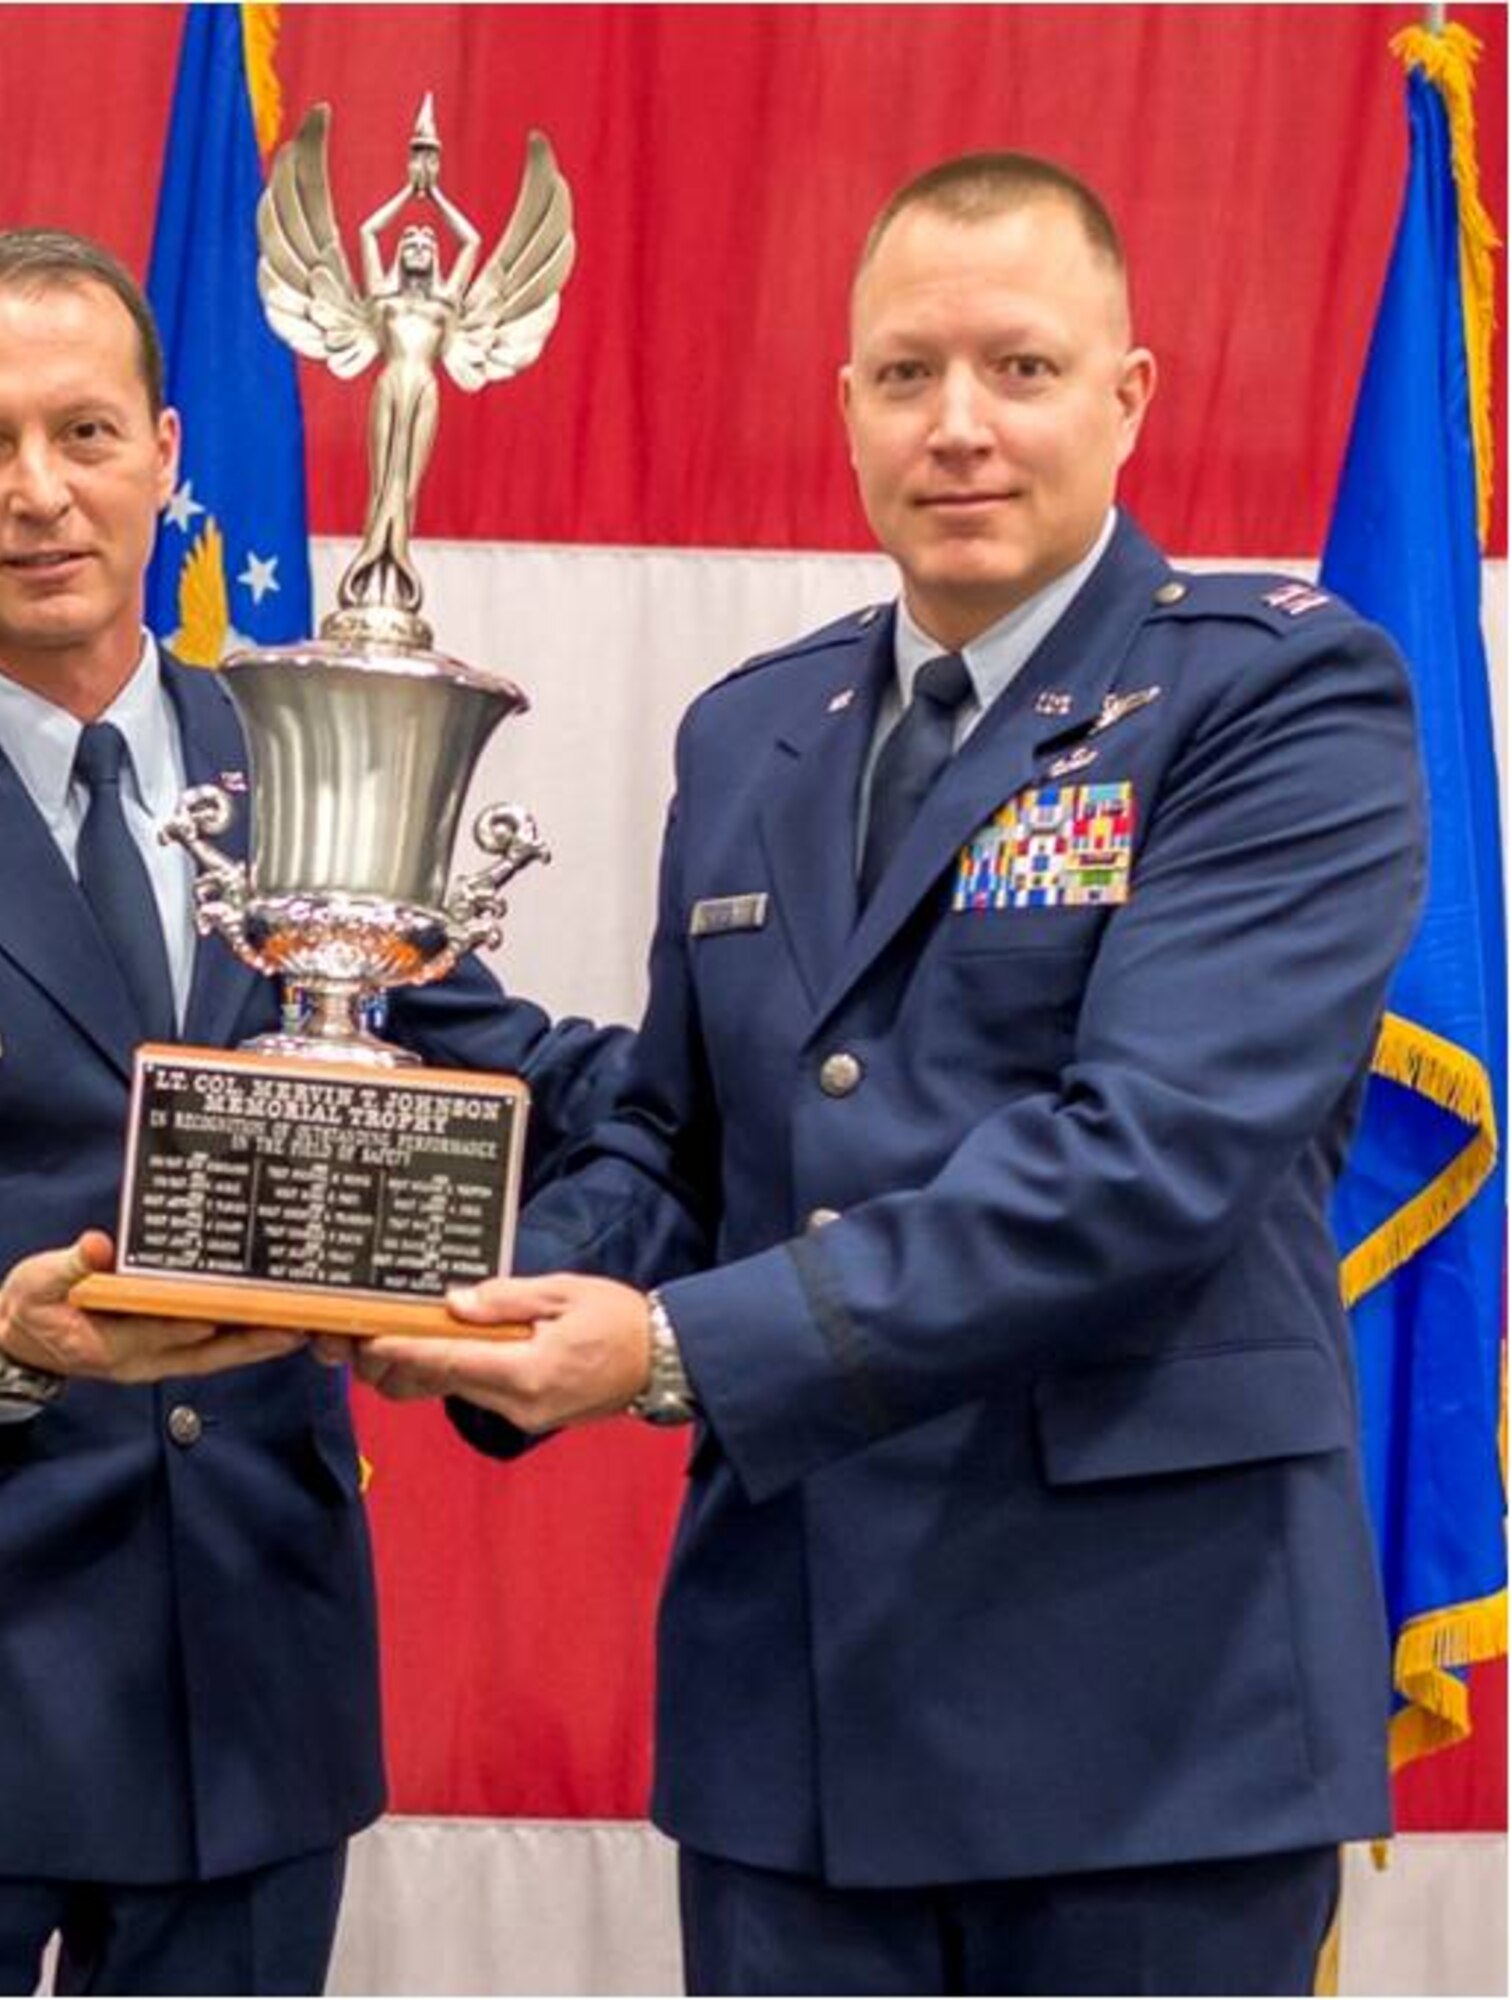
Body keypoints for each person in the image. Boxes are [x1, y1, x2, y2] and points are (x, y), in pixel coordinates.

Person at [347, 155, 1425, 1996]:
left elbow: (1142, 1163)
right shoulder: (754, 729)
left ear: (1127, 397)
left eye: (1020, 369)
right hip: (804, 1715)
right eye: (908, 375)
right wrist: (504, 1295)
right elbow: (690, 1138)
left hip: (1149, 1715)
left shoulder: (1278, 701)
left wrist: (671, 1355)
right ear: (846, 406)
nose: (961, 428)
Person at [0, 228, 625, 1997]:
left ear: (170, 456)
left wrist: (527, 1284)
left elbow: (503, 1092)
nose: (40, 495)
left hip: (246, 1702)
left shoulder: (315, 764)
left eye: (87, 435)